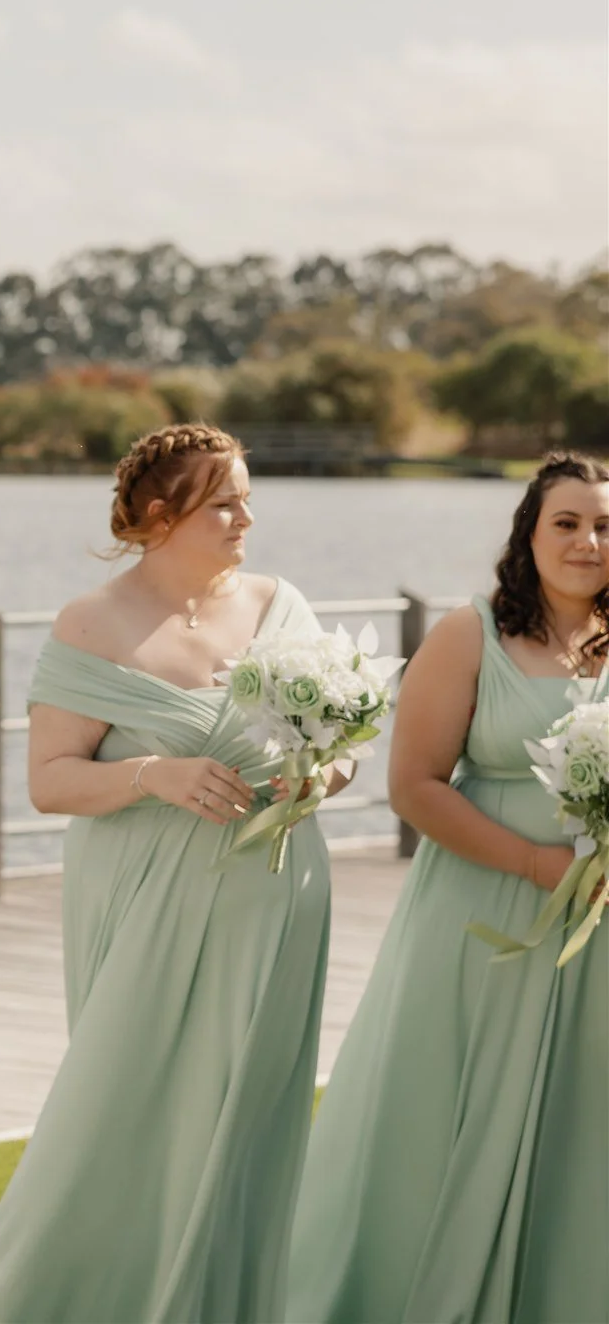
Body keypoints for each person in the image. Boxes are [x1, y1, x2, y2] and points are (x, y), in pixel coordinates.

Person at [0, 424, 341, 1324]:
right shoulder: (91, 623)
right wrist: (154, 776)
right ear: (161, 516)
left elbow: (335, 750)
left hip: (274, 895)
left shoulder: (284, 604)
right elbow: (49, 783)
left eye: (246, 495)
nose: (248, 515)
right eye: (225, 502)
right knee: (120, 1113)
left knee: (249, 1117)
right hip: (146, 904)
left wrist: (323, 773)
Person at [288, 452, 609, 1323]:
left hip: (601, 927)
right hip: (485, 910)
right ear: (529, 535)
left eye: (605, 526)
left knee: (586, 1122)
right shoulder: (471, 636)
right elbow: (417, 786)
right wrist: (540, 865)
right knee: (445, 1108)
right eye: (567, 524)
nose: (588, 542)